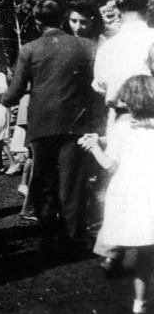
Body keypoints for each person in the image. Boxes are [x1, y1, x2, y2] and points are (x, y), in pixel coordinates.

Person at [1, 0, 94, 260]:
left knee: (44, 183)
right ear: (63, 19)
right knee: (73, 184)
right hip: (75, 124)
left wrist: (1, 99)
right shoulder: (84, 45)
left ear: (38, 22)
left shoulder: (29, 49)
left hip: (41, 125)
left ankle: (48, 238)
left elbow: (16, 90)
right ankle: (74, 241)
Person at [78, 75, 154, 314]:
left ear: (128, 100)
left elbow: (109, 164)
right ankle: (140, 302)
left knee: (137, 242)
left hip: (129, 191)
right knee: (147, 252)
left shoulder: (122, 127)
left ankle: (139, 303)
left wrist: (94, 147)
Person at [91, 0, 154, 273]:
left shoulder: (109, 46)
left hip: (121, 118)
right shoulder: (152, 37)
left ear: (119, 8)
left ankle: (113, 247)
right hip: (151, 116)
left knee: (119, 183)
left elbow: (100, 85)